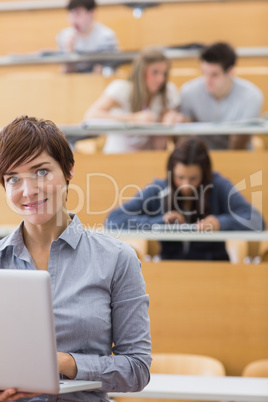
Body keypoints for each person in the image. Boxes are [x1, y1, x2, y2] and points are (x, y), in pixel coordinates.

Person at [0, 116, 151, 402]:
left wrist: (64, 363)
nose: (28, 190)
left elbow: (137, 369)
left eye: (41, 171)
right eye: (13, 179)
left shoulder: (117, 259)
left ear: (68, 170)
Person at [106, 137, 265, 261]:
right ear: (171, 173)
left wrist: (220, 223)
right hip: (170, 270)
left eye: (193, 178)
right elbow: (113, 220)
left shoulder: (219, 185)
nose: (186, 185)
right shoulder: (159, 189)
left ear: (205, 174)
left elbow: (257, 221)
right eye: (180, 177)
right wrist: (160, 223)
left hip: (215, 269)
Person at [84, 47, 183, 153]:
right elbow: (90, 116)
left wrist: (168, 123)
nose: (161, 79)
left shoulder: (168, 91)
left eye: (164, 73)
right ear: (141, 71)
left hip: (149, 159)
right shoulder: (121, 88)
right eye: (155, 72)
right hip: (118, 156)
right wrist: (133, 118)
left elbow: (162, 145)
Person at [179, 42, 263, 150]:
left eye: (214, 75)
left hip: (239, 158)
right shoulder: (189, 92)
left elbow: (240, 140)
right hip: (201, 157)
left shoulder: (251, 96)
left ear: (231, 71)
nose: (207, 80)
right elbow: (184, 136)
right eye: (204, 73)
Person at [57, 0, 119, 73]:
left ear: (91, 14)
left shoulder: (106, 37)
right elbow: (67, 73)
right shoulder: (64, 36)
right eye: (71, 13)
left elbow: (109, 69)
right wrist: (69, 52)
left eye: (78, 14)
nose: (73, 19)